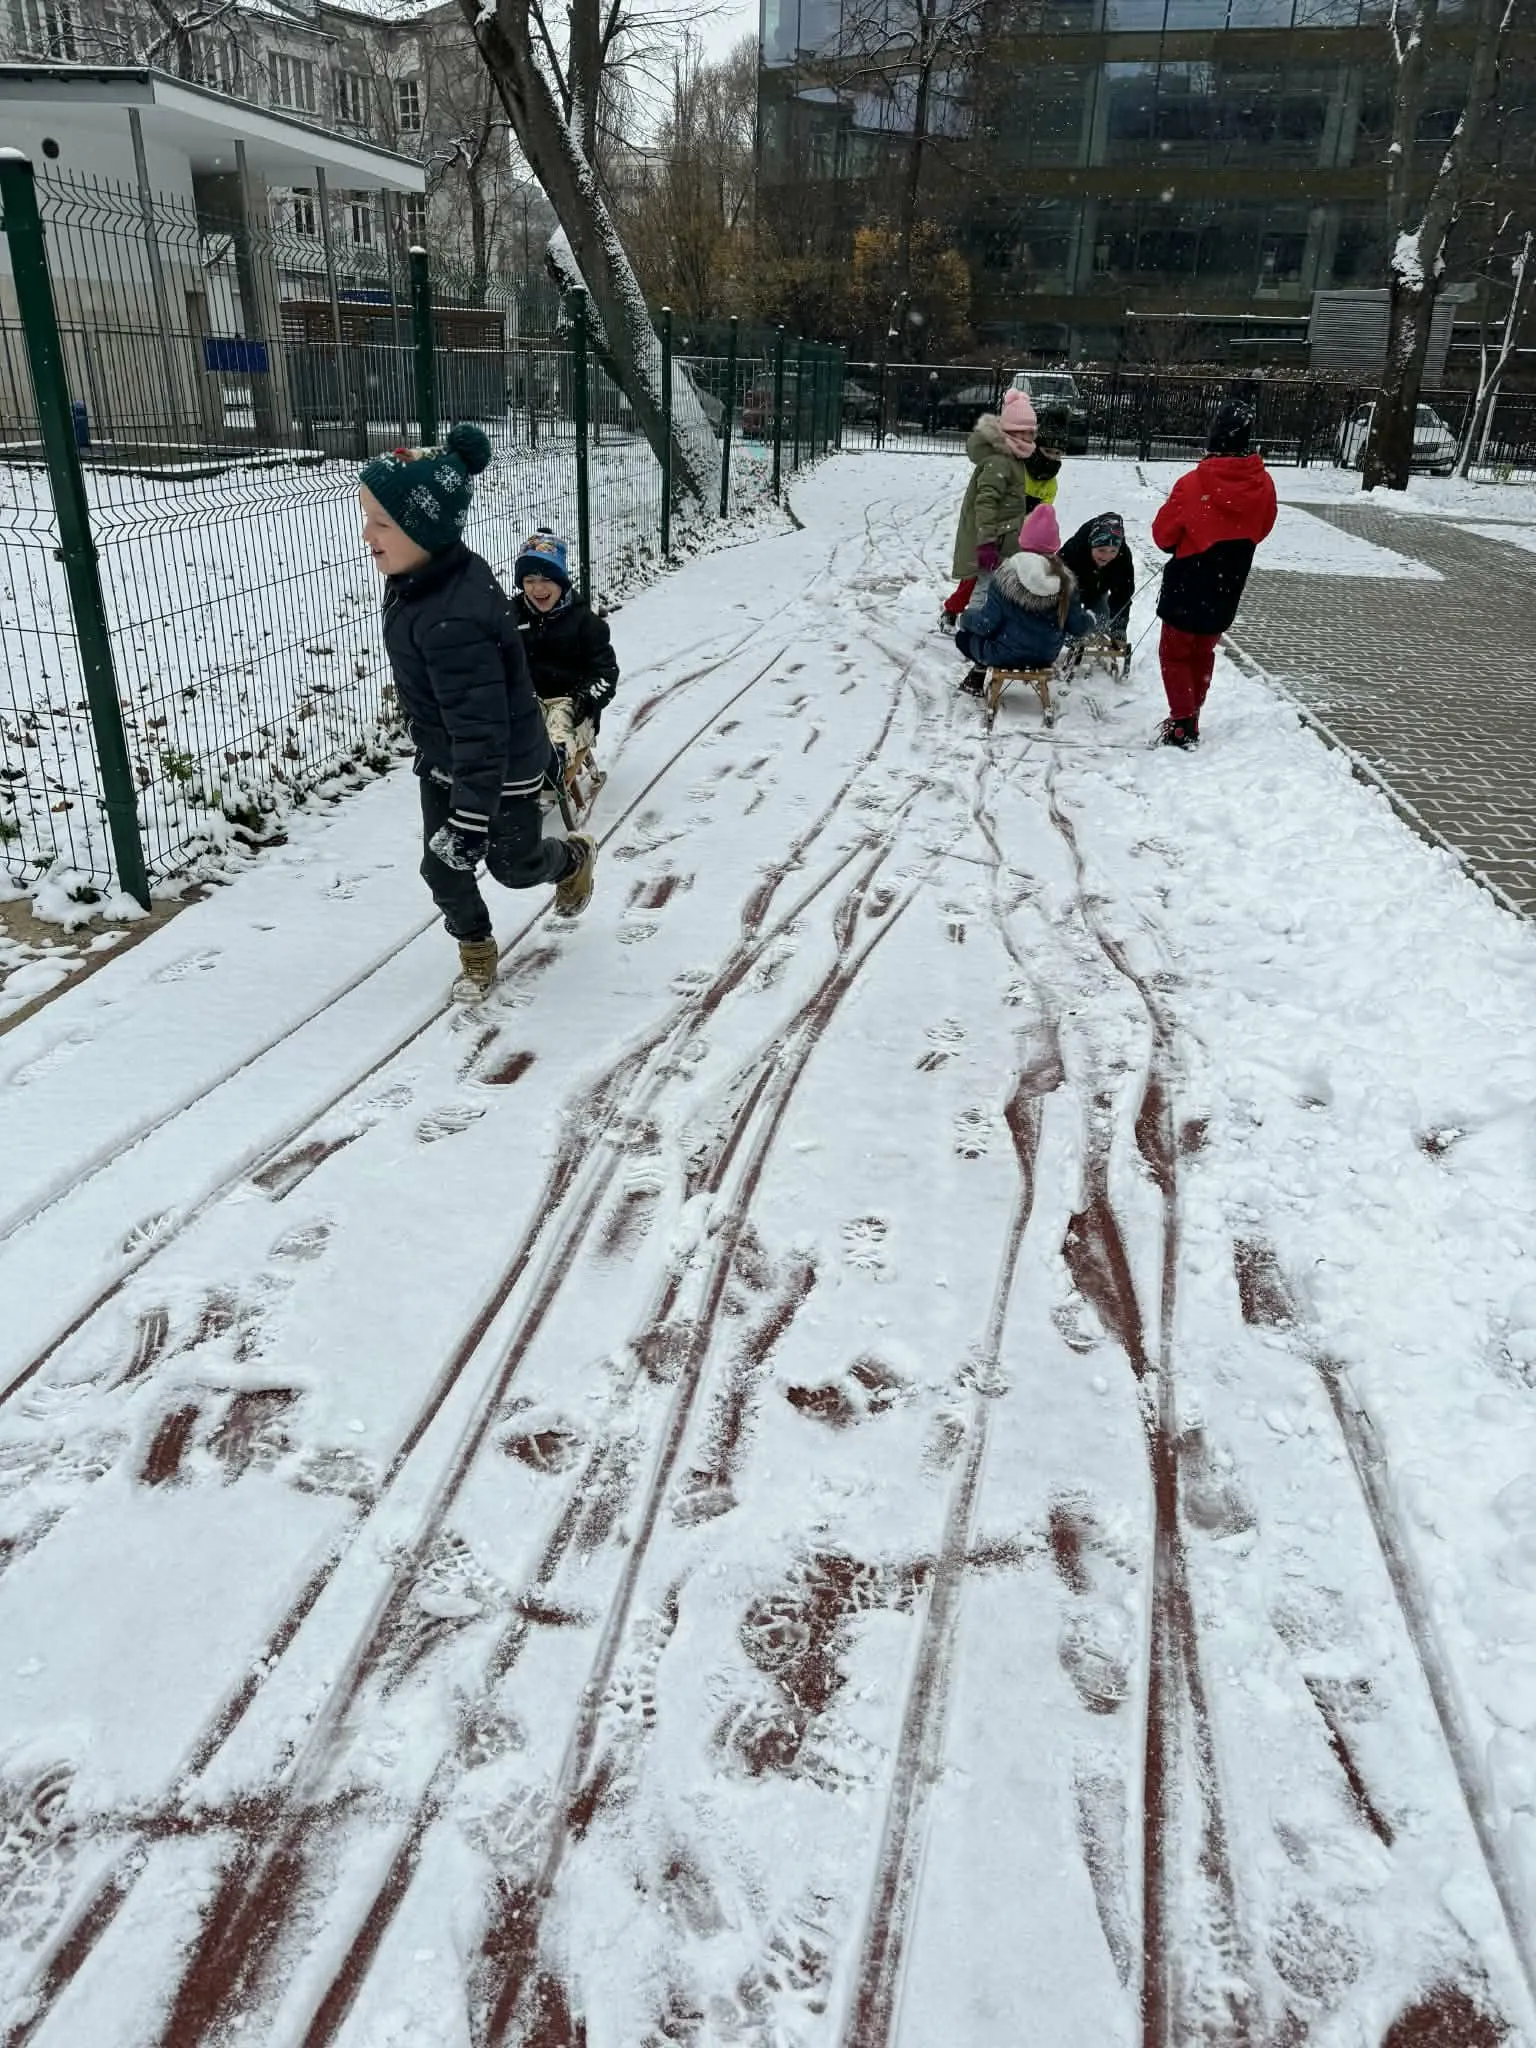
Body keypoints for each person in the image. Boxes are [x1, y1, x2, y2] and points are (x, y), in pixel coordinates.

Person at [359, 425, 597, 1004]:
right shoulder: (422, 579)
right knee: (441, 868)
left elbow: (482, 728)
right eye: (367, 520)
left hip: (501, 766)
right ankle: (476, 945)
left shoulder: (453, 620)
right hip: (448, 758)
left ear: (425, 530)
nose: (368, 536)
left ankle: (570, 860)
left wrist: (470, 820)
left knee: (513, 868)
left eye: (382, 523)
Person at [1150, 400, 1277, 748]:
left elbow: (1163, 535)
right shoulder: (1263, 484)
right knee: (1203, 650)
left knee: (1175, 653)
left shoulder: (1193, 484)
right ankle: (1192, 714)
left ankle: (1181, 722)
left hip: (1188, 581)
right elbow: (1263, 527)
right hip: (1230, 582)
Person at [510, 529, 619, 780]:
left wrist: (587, 699)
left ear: (561, 580)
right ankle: (510, 765)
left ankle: (553, 763)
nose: (538, 589)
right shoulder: (510, 618)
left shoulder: (585, 623)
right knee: (517, 727)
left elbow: (606, 673)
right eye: (529, 581)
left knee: (559, 724)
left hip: (573, 703)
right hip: (528, 699)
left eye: (546, 579)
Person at [954, 503, 1095, 695]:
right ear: (1054, 546)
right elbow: (1078, 627)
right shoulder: (1065, 581)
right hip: (1045, 656)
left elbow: (986, 624)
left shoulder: (1005, 576)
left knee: (965, 637)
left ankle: (979, 672)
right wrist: (1090, 619)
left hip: (1004, 655)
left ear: (1023, 541)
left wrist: (966, 618)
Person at [940, 387, 1037, 632]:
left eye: (1032, 433)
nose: (1031, 438)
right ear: (1013, 433)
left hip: (1003, 538)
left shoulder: (1012, 460)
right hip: (992, 540)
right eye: (1027, 433)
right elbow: (986, 503)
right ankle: (972, 631)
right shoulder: (999, 462)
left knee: (992, 586)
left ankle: (983, 625)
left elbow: (1007, 499)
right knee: (982, 589)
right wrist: (985, 542)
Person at [1060, 512, 1134, 639]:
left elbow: (1123, 593)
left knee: (1100, 625)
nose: (1106, 557)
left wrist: (1119, 627)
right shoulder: (1073, 550)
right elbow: (1058, 586)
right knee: (1070, 628)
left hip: (1097, 593)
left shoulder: (1123, 557)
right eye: (1101, 550)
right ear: (1091, 544)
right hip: (1069, 594)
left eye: (1113, 551)